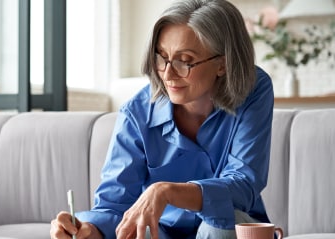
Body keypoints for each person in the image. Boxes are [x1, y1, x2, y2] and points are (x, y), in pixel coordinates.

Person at [50, 0, 274, 238]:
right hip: (162, 232)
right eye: (161, 58)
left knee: (217, 225)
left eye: (184, 61)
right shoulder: (136, 113)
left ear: (223, 63)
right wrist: (86, 229)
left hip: (228, 228)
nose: (168, 74)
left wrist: (167, 191)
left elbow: (244, 184)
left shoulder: (253, 89)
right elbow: (113, 205)